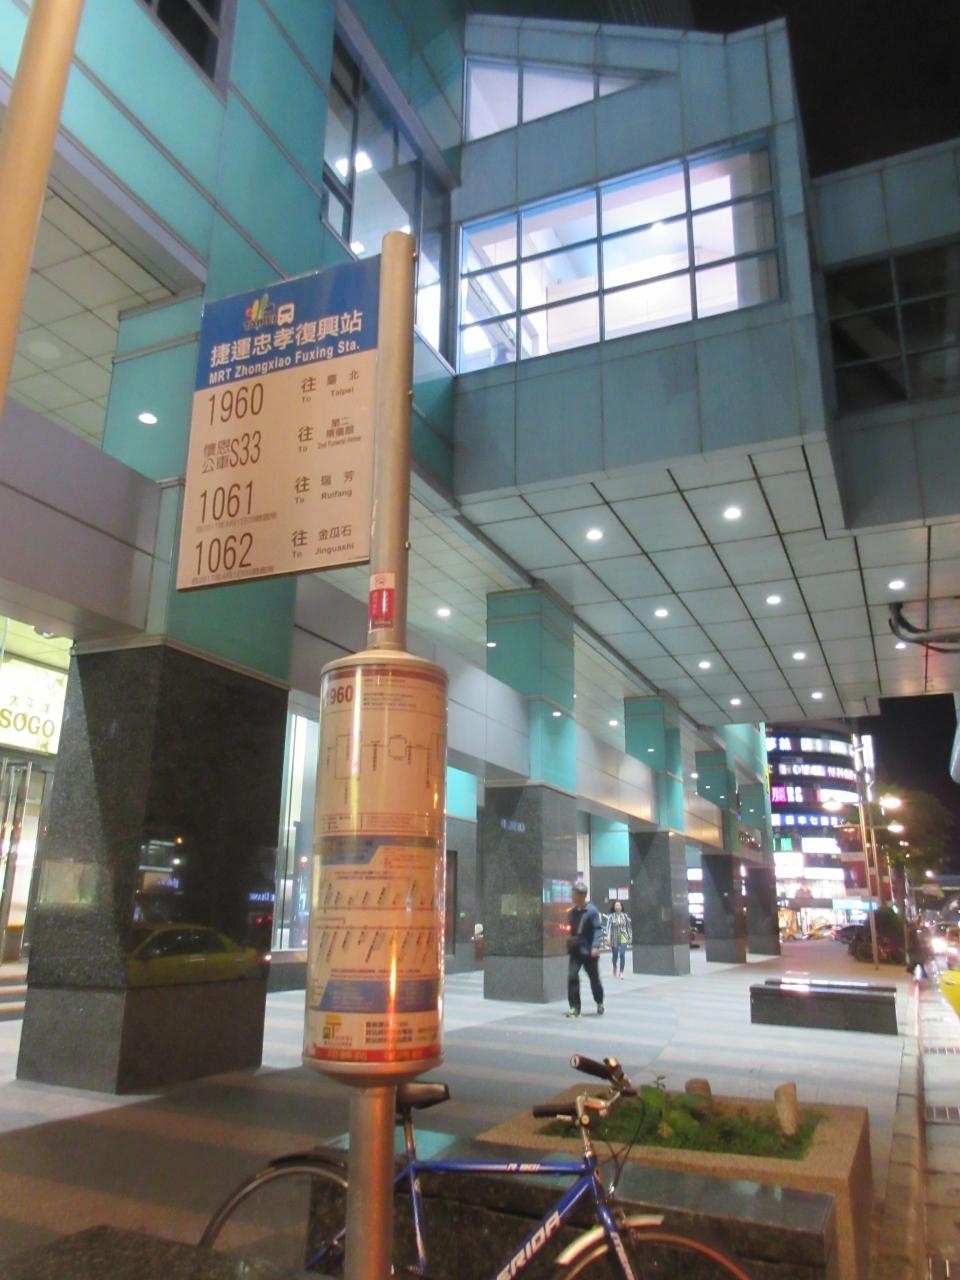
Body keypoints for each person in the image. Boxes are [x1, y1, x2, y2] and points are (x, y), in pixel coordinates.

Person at [566, 881, 604, 1018]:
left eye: (575, 894)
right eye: (573, 893)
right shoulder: (571, 913)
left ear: (582, 896)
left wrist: (595, 946)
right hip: (576, 951)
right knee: (572, 976)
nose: (572, 896)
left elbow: (598, 929)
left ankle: (599, 1001)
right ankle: (574, 1008)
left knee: (594, 980)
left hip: (589, 952)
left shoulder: (592, 911)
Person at [607, 900, 631, 979]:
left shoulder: (625, 916)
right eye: (616, 905)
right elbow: (608, 927)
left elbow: (628, 927)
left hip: (623, 936)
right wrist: (608, 937)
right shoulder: (611, 916)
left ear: (621, 907)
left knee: (622, 954)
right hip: (614, 937)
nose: (618, 907)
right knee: (615, 955)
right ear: (614, 907)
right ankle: (614, 966)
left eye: (619, 905)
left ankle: (621, 972)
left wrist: (629, 937)